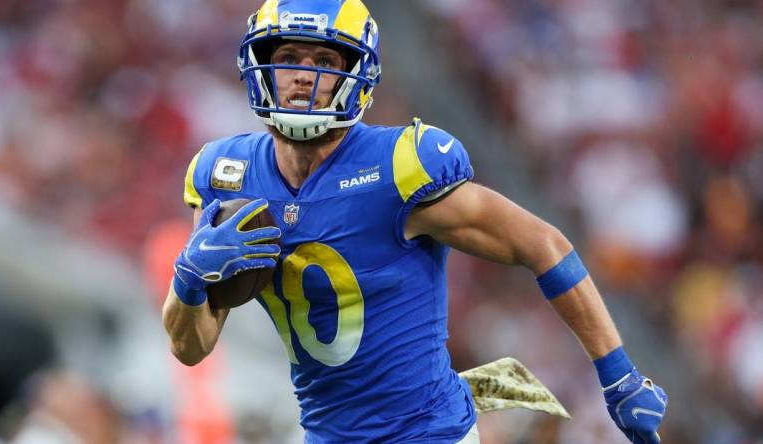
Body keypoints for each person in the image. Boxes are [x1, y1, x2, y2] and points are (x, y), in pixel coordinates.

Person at [161, 0, 668, 442]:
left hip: (428, 432)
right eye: (288, 58)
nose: (303, 75)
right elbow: (190, 347)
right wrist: (188, 277)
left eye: (323, 60)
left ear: (356, 74)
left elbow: (543, 244)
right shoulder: (225, 175)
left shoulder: (399, 167)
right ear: (260, 66)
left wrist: (619, 374)